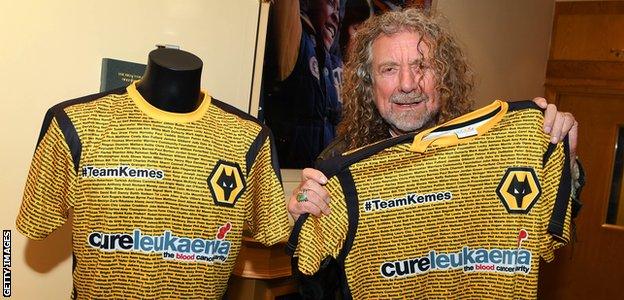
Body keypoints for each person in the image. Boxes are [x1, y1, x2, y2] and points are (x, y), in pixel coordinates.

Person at [16, 48, 290, 299]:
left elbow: (273, 231)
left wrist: (305, 212)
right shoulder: (74, 123)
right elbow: (37, 222)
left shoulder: (249, 138)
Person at [287, 8, 580, 220]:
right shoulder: (337, 163)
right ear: (369, 85)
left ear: (444, 77)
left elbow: (540, 226)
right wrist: (305, 211)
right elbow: (317, 283)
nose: (407, 84)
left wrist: (562, 160)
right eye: (389, 69)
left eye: (422, 66)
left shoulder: (482, 152)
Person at [263, 0, 344, 168]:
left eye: (338, 9)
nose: (336, 16)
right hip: (289, 179)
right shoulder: (297, 44)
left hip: (325, 180)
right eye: (330, 3)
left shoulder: (333, 62)